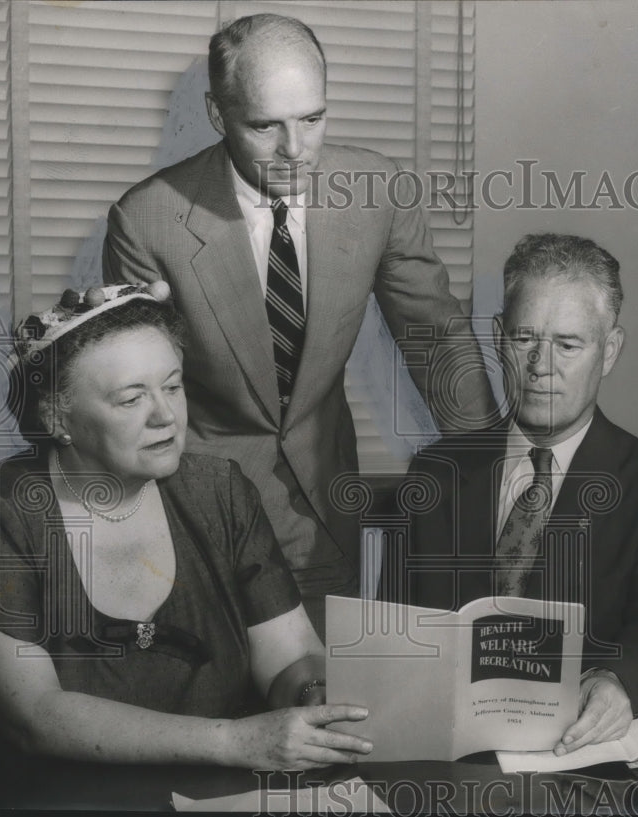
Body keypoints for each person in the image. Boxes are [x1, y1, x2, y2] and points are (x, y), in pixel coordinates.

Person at [102, 13, 498, 631]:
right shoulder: (147, 221)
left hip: (323, 499)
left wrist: (488, 466)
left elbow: (435, 335)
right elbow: (128, 393)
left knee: (324, 696)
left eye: (312, 119)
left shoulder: (379, 191)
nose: (295, 150)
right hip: (198, 507)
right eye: (266, 126)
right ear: (216, 113)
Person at [0, 283, 373, 768]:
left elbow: (291, 658)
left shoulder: (219, 492)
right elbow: (31, 716)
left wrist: (315, 695)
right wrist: (234, 743)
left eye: (172, 386)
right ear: (59, 417)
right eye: (131, 399)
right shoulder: (2, 512)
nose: (165, 416)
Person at [387, 233, 638, 754]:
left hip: (577, 758)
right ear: (498, 339)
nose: (541, 366)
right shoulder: (435, 474)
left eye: (568, 344)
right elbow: (393, 627)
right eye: (523, 339)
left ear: (609, 352)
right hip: (443, 757)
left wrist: (619, 682)